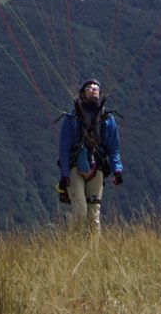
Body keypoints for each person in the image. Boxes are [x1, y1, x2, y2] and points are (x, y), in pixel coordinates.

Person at [57, 78, 122, 231]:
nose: (93, 89)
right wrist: (64, 174)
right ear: (82, 94)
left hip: (97, 166)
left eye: (96, 88)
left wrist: (117, 170)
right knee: (80, 211)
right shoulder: (72, 118)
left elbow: (114, 147)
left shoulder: (107, 119)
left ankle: (93, 252)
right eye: (89, 87)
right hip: (75, 167)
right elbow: (64, 148)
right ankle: (75, 247)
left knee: (93, 216)